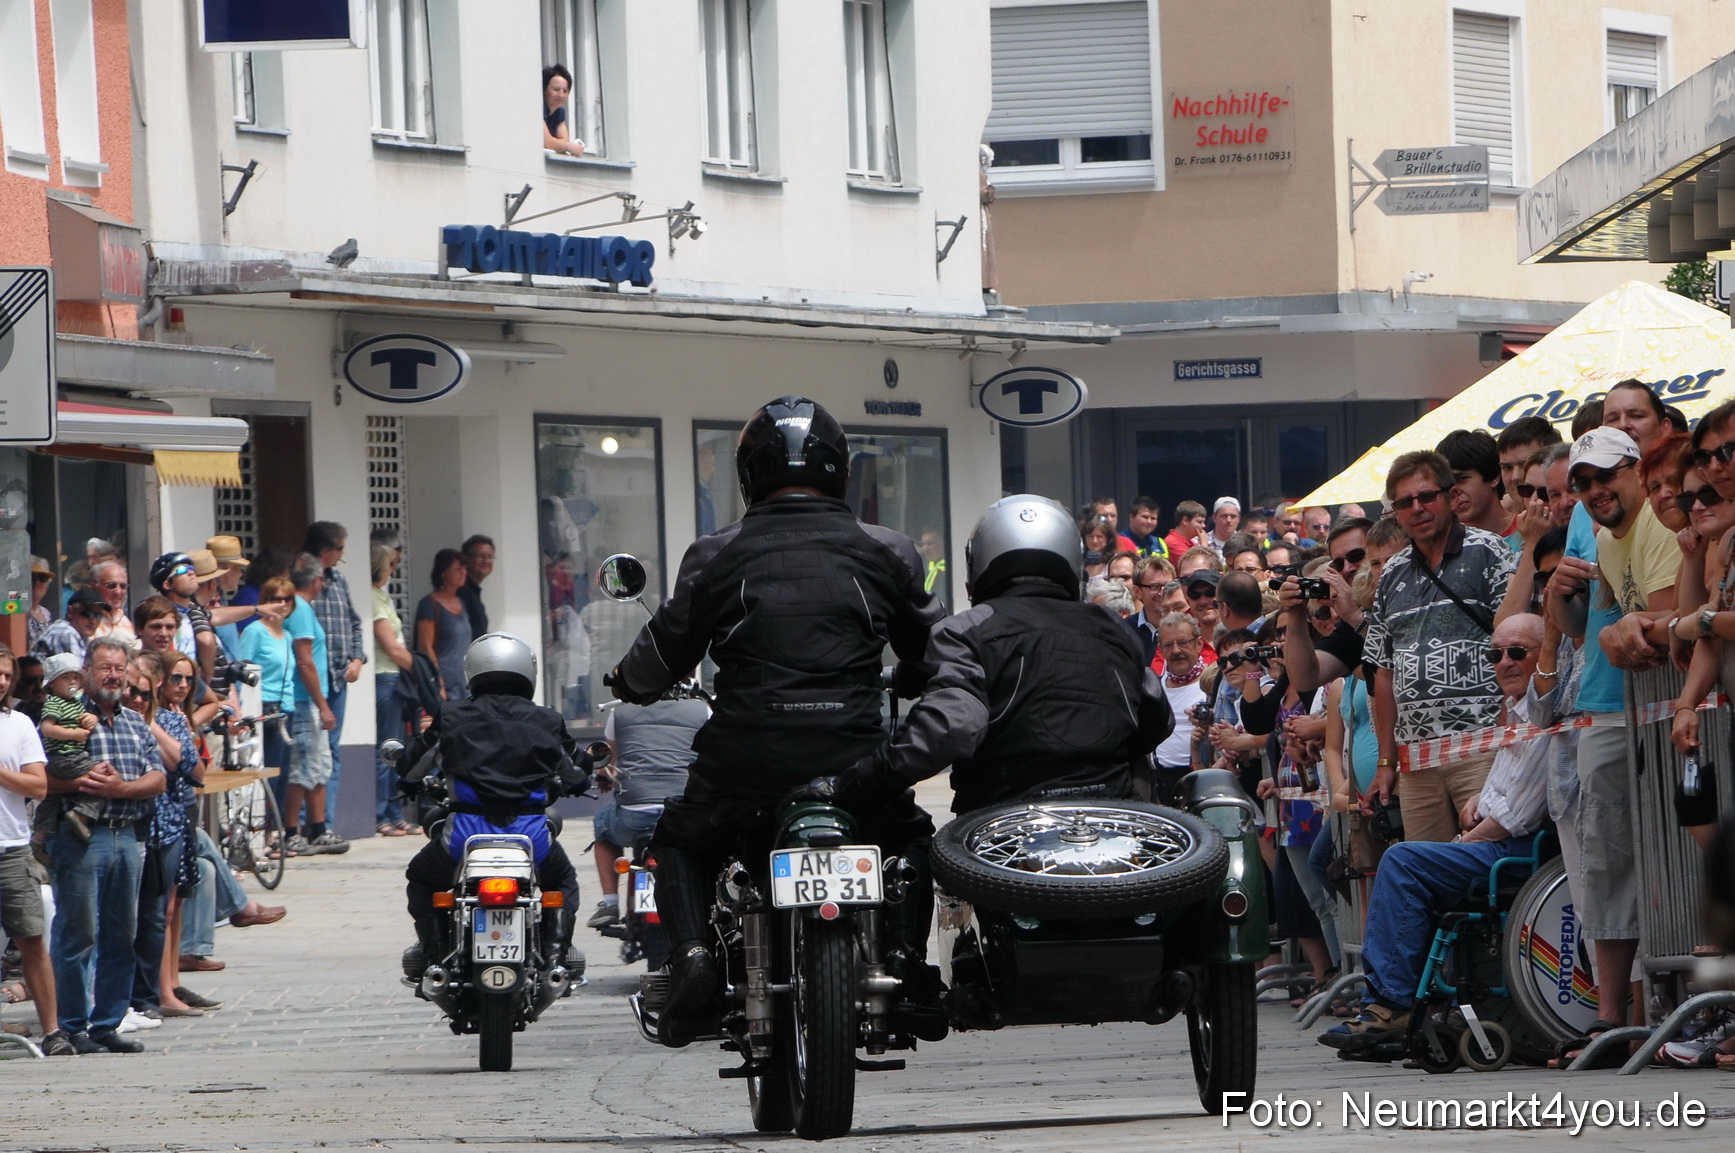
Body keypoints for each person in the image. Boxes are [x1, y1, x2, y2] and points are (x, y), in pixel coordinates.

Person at [606, 396, 945, 1045]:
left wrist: (627, 681)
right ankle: (905, 959)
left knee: (679, 839)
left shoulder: (716, 553)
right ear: (838, 469)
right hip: (853, 761)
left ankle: (692, 957)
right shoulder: (887, 549)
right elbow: (933, 649)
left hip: (747, 762)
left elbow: (663, 652)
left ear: (750, 472)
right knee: (910, 838)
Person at [833, 492, 1171, 812]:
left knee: (907, 840)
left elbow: (949, 727)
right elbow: (1157, 716)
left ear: (978, 564)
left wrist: (864, 778)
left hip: (1001, 823)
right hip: (1109, 812)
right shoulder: (1111, 627)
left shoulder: (965, 629)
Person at [1320, 614, 1553, 1049]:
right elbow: (1504, 793)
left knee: (1404, 861)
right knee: (1408, 864)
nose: (1505, 662)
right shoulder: (1517, 711)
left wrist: (1468, 837)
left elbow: (1516, 816)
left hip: (1517, 850)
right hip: (1500, 841)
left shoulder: (1542, 715)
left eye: (1517, 652)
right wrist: (1479, 801)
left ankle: (1391, 1003)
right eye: (1496, 654)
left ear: (1546, 656)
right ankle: (1402, 1003)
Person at [1548, 424, 1678, 1048]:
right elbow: (1589, 630)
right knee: (1606, 864)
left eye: (1607, 475)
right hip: (1615, 710)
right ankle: (1615, 1018)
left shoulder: (1657, 524)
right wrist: (1561, 598)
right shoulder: (1603, 537)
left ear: (1636, 471)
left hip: (1670, 713)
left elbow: (1673, 626)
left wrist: (1618, 631)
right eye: (1584, 482)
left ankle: (1688, 1009)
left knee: (1682, 863)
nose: (1596, 489)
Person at [401, 634, 587, 976]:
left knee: (421, 878)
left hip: (464, 836)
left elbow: (412, 765)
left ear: (472, 672)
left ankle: (436, 956)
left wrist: (408, 776)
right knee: (562, 881)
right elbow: (576, 771)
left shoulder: (451, 715)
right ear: (527, 673)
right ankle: (555, 956)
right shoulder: (548, 720)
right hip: (531, 837)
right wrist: (581, 781)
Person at [1365, 450, 1514, 843]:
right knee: (1426, 867)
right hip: (1417, 762)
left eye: (1427, 496)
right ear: (1395, 512)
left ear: (1450, 496)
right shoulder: (1391, 572)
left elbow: (1515, 642)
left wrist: (1506, 736)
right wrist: (1386, 762)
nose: (1417, 508)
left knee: (1483, 861)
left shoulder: (1489, 551)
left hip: (1482, 748)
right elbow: (1384, 671)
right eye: (1405, 502)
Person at [44, 638, 165, 1054]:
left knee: (121, 934)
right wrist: (81, 782)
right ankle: (72, 1026)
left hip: (127, 834)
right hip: (80, 836)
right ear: (86, 673)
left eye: (119, 669)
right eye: (104, 668)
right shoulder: (67, 716)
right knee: (78, 934)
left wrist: (122, 788)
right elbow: (39, 774)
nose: (113, 676)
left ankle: (107, 1023)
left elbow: (159, 778)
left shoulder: (135, 722)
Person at [0, 644, 73, 1054]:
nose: (2, 681)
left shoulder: (19, 724)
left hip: (11, 847)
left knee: (31, 938)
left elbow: (39, 786)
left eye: (6, 675)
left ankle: (52, 1031)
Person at [587, 690, 709, 929]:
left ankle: (610, 903)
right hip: (681, 813)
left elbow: (610, 762)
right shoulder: (703, 710)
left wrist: (604, 777)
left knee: (602, 828)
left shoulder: (619, 713)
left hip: (633, 815)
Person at [284, 554, 346, 856]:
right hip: (304, 700)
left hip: (310, 700)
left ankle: (318, 828)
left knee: (320, 765)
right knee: (302, 768)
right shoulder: (300, 609)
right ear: (317, 581)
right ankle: (291, 831)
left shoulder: (302, 608)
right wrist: (323, 705)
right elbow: (305, 662)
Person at [307, 523, 366, 822]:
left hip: (339, 679)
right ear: (325, 551)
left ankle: (325, 822)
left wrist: (357, 659)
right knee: (308, 751)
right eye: (340, 548)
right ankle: (303, 822)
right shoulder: (302, 581)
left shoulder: (339, 580)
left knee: (332, 751)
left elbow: (355, 623)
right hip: (310, 681)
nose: (343, 555)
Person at [237, 577, 298, 804]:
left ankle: (275, 822)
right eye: (276, 599)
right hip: (262, 707)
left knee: (282, 773)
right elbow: (243, 670)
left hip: (285, 707)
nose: (282, 604)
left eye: (287, 599)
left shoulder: (287, 636)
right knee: (267, 772)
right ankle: (263, 822)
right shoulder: (255, 631)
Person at [32, 653, 102, 848]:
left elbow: (86, 717)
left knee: (51, 798)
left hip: (67, 758)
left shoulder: (75, 703)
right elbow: (47, 728)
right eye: (66, 677)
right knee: (101, 776)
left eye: (76, 677)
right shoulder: (54, 703)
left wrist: (93, 719)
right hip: (65, 756)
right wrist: (74, 735)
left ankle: (39, 837)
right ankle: (82, 813)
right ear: (52, 684)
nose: (72, 681)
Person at [371, 543, 417, 836]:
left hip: (395, 677)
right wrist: (421, 671)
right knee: (385, 749)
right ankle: (381, 814)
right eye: (390, 564)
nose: (393, 570)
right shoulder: (373, 598)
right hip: (385, 676)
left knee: (395, 748)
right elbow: (391, 646)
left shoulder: (383, 596)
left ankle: (394, 811)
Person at [1151, 612, 1209, 802]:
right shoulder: (1154, 687)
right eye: (1168, 645)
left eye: (1183, 642)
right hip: (1161, 782)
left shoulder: (1214, 684)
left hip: (1201, 779)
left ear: (1198, 644)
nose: (1176, 651)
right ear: (1161, 650)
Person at [1495, 416, 1564, 548]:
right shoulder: (1502, 545)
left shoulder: (1584, 524)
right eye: (1507, 467)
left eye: (1525, 464)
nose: (1515, 477)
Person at [417, 549, 474, 703]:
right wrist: (438, 683)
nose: (463, 573)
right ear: (443, 573)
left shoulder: (461, 602)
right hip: (445, 682)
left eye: (464, 568)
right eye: (458, 569)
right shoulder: (429, 604)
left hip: (464, 681)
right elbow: (426, 647)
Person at [1436, 428, 1510, 539]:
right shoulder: (1443, 546)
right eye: (1446, 485)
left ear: (1494, 476)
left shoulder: (1531, 529)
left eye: (1462, 478)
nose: (1453, 492)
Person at [33, 587, 106, 663]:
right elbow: (77, 669)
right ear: (70, 612)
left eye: (98, 615)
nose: (93, 621)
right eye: (87, 613)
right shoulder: (64, 631)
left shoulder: (84, 639)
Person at [88, 560, 136, 648]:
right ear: (94, 587)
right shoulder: (86, 620)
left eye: (123, 586)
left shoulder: (125, 621)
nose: (118, 592)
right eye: (111, 585)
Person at [541, 63, 586, 156]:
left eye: (565, 91)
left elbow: (563, 140)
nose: (561, 95)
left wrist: (564, 145)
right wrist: (569, 146)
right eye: (556, 90)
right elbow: (548, 143)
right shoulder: (537, 108)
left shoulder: (559, 111)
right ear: (545, 90)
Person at [458, 534, 495, 638]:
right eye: (480, 556)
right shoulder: (461, 592)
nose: (485, 561)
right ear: (465, 559)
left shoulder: (473, 592)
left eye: (489, 557)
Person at [27, 557, 54, 652]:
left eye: (42, 578)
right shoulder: (16, 609)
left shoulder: (46, 613)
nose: (37, 582)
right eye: (32, 577)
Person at [1081, 518, 1116, 583]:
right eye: (1090, 536)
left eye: (1099, 536)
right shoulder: (1079, 561)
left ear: (1108, 538)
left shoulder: (1115, 561)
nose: (1094, 541)